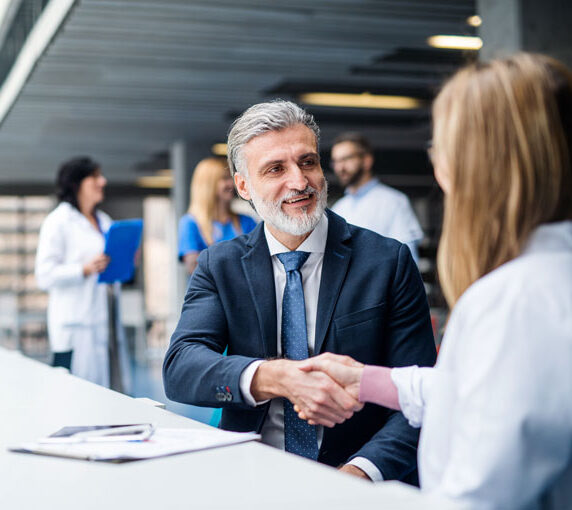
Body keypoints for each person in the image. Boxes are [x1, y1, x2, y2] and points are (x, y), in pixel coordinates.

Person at [299, 53, 572, 509]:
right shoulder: (541, 282)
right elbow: (492, 393)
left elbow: (473, 498)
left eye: (440, 147)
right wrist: (367, 380)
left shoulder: (514, 302)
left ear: (477, 165)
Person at [163, 100, 436, 482]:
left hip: (359, 477)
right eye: (276, 168)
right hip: (251, 475)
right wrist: (275, 378)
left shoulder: (387, 262)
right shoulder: (220, 266)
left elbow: (419, 396)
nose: (300, 181)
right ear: (243, 186)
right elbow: (181, 368)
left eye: (308, 162)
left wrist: (359, 474)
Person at [36, 156, 118, 387]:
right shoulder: (58, 222)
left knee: (105, 393)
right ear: (76, 184)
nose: (103, 181)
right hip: (74, 325)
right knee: (74, 392)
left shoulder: (104, 221)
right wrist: (83, 269)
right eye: (95, 177)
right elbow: (44, 275)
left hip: (103, 321)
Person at [330, 133, 423, 262]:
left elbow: (408, 259)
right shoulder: (338, 208)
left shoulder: (394, 202)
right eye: (336, 161)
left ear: (367, 161)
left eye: (347, 159)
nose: (340, 167)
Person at [178, 157, 257, 274]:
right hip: (210, 292)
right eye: (225, 178)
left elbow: (258, 260)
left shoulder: (246, 221)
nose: (231, 183)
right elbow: (194, 268)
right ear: (208, 185)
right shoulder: (190, 223)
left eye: (231, 177)